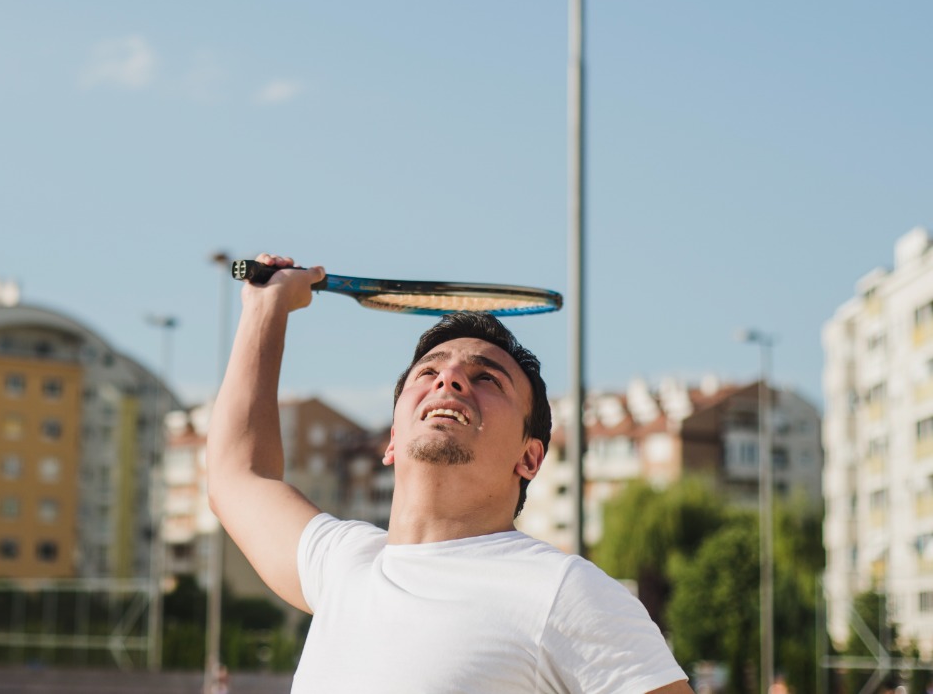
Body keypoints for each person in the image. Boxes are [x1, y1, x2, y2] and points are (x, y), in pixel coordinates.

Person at [207, 255, 693, 693]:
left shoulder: (563, 593)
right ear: (392, 439)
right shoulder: (341, 566)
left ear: (530, 458)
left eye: (487, 378)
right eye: (428, 372)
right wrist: (265, 307)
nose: (449, 379)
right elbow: (237, 474)